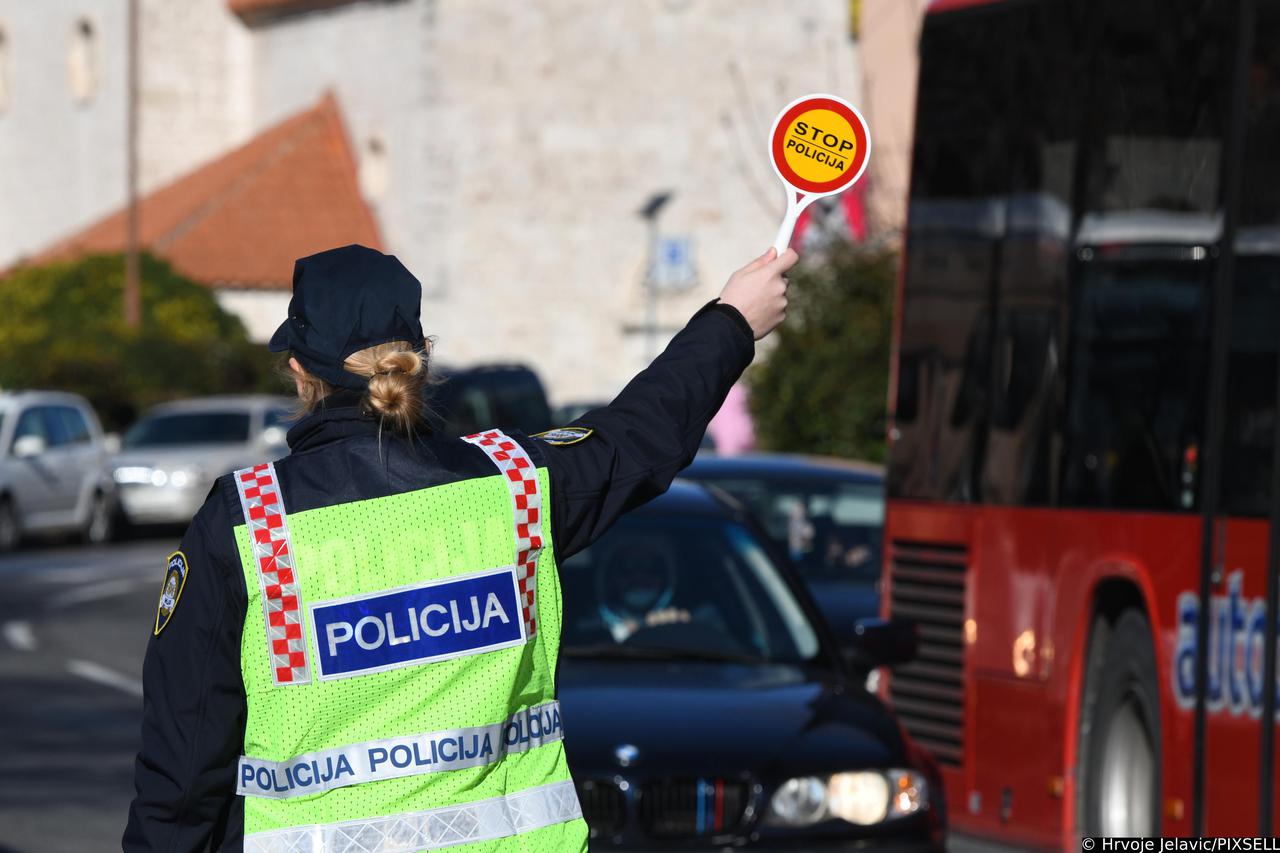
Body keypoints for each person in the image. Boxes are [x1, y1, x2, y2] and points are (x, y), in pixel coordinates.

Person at [123, 242, 796, 852]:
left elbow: (182, 774)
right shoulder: (514, 489)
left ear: (299, 369)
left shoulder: (250, 523)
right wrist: (732, 321)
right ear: (421, 356)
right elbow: (641, 433)